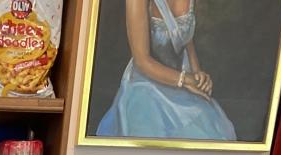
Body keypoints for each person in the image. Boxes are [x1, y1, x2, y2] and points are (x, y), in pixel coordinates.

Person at [96, 0, 236, 141]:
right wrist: (185, 80)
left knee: (212, 132)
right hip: (145, 85)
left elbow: (185, 37)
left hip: (182, 81)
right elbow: (142, 61)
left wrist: (197, 73)